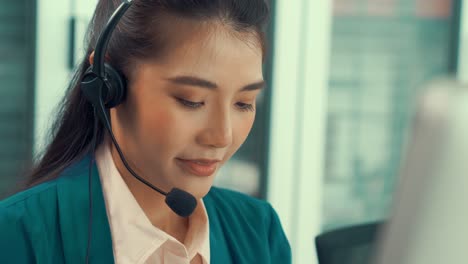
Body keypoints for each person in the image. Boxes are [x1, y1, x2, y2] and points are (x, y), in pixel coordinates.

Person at [0, 0, 291, 263]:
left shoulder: (259, 234)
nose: (222, 137)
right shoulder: (16, 237)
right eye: (191, 100)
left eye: (244, 103)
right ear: (107, 86)